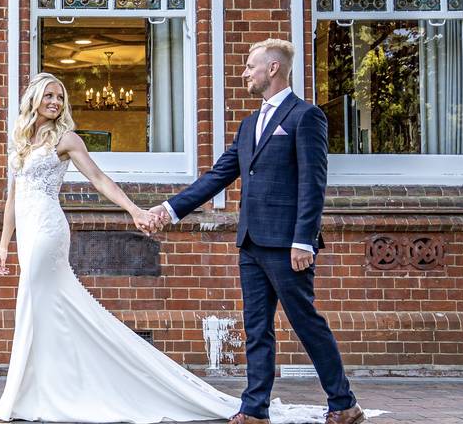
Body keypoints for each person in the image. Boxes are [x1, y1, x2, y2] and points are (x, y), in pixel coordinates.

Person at [0, 72, 328, 424]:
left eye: (60, 97)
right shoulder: (20, 141)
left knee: (31, 300)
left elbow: (100, 179)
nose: (56, 103)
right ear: (34, 99)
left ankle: (12, 400)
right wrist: (3, 247)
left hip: (47, 229)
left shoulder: (66, 139)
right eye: (49, 96)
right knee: (43, 307)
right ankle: (43, 390)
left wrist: (135, 210)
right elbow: (13, 198)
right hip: (26, 232)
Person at [149, 39, 366, 424]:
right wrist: (168, 210)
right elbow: (218, 176)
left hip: (287, 245)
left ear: (272, 69)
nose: (244, 73)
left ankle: (344, 403)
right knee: (257, 328)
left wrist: (304, 240)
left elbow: (313, 183)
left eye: (250, 67)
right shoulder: (249, 125)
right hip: (250, 241)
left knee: (306, 323)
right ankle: (254, 408)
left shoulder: (306, 117)